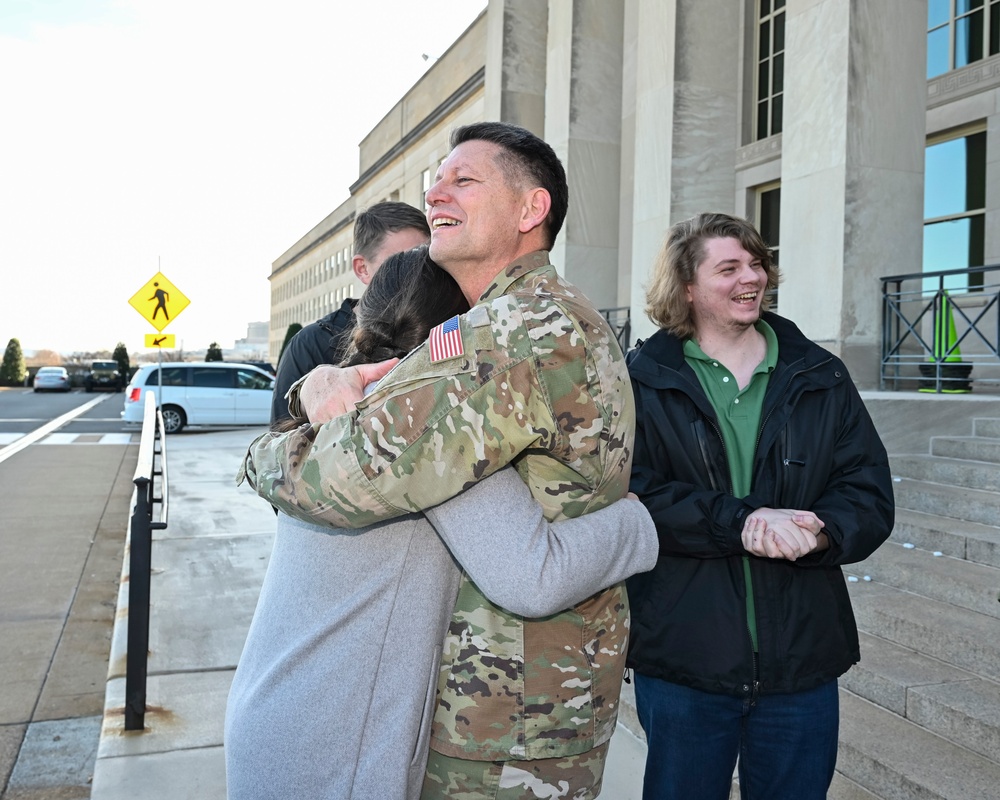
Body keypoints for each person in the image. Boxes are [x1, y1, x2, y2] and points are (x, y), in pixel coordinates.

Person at [240, 122, 637, 799]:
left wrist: (266, 450)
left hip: (509, 720)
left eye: (464, 180)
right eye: (435, 182)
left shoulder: (510, 332)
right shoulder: (539, 314)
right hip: (532, 702)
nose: (436, 194)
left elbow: (341, 476)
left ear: (529, 210)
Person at [625, 212, 895, 800]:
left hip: (802, 660)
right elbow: (631, 494)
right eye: (730, 267)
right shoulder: (639, 381)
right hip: (683, 658)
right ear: (687, 287)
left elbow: (867, 489)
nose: (752, 277)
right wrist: (739, 523)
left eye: (757, 263)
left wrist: (822, 530)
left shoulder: (820, 373)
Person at [270, 200, 430, 423]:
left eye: (426, 260)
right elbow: (281, 447)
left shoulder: (439, 327)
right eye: (400, 262)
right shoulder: (311, 345)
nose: (419, 272)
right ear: (362, 269)